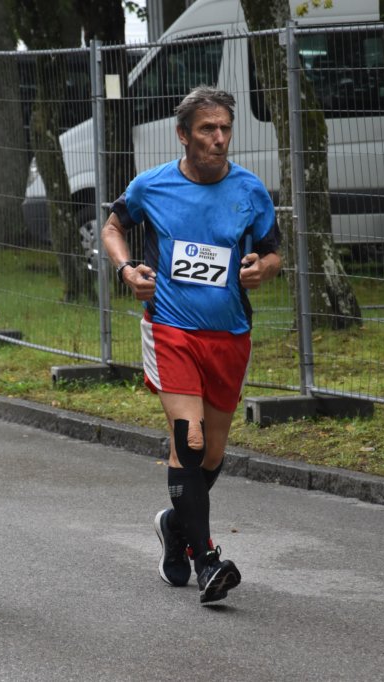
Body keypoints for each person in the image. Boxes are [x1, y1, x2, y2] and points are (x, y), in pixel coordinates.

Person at [101, 86, 282, 605]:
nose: (219, 138)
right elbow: (113, 227)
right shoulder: (152, 185)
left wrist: (263, 269)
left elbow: (273, 253)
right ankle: (206, 560)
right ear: (183, 135)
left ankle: (174, 525)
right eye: (207, 129)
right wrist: (126, 269)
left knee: (213, 453)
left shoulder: (249, 190)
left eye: (225, 128)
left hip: (230, 334)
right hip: (171, 328)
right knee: (190, 438)